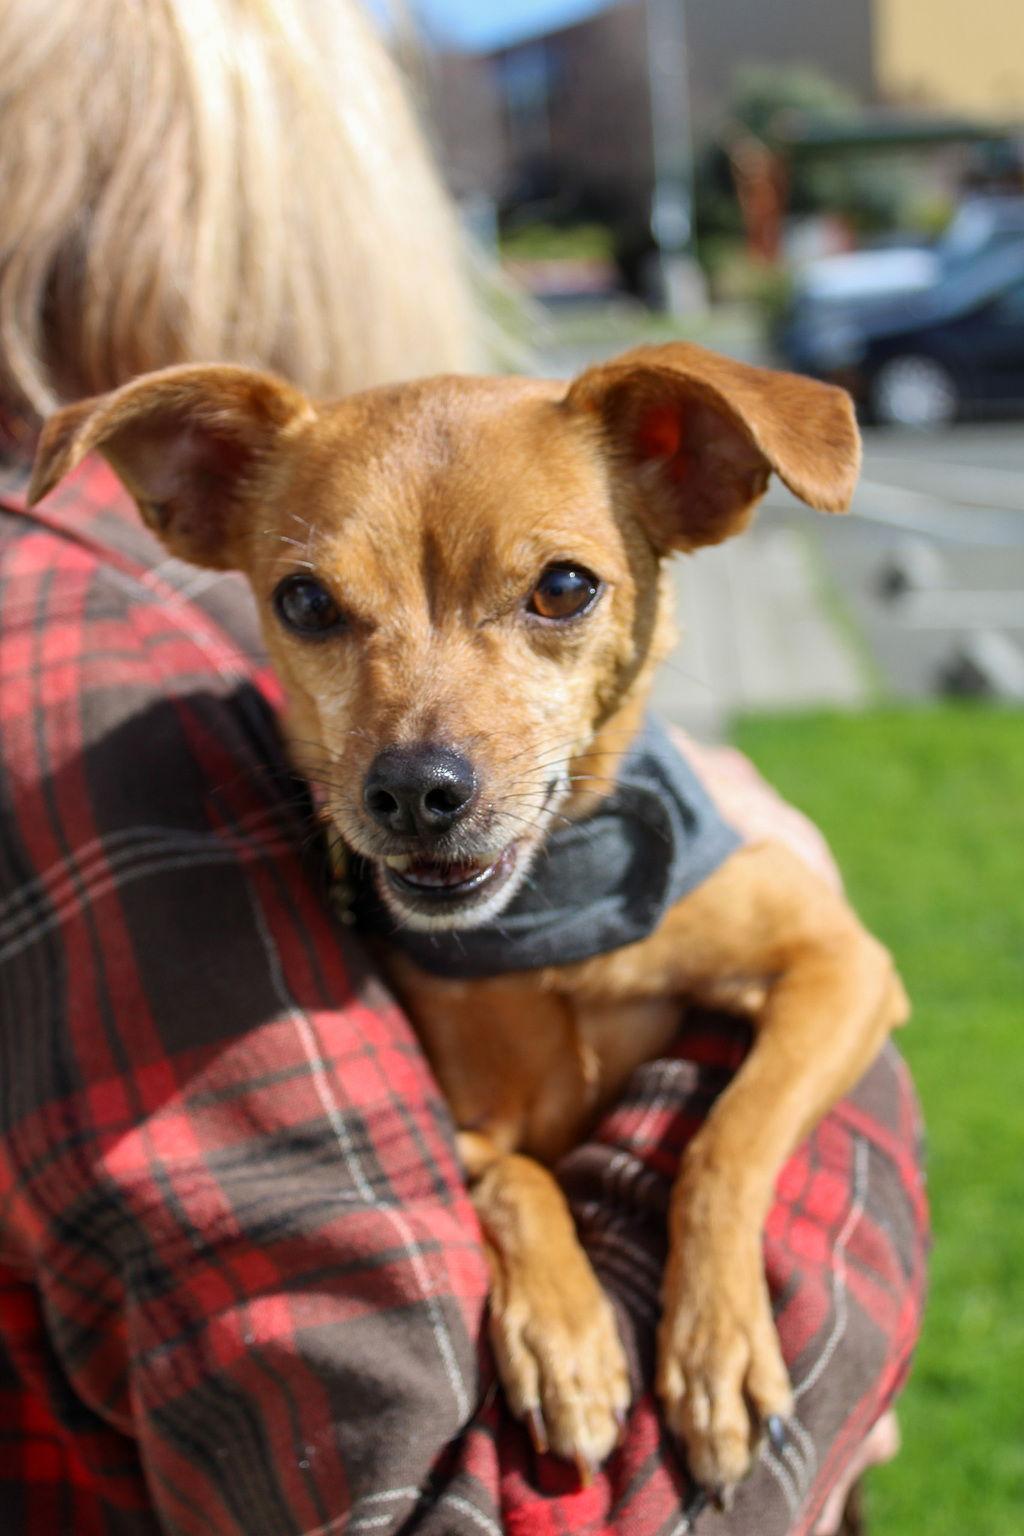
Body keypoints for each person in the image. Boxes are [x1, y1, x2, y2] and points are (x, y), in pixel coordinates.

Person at [0, 3, 927, 1533]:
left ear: (693, 477)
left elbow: (842, 976)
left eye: (552, 595)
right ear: (197, 494)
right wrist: (559, 1224)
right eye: (323, 611)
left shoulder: (679, 855)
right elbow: (470, 1170)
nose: (422, 748)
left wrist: (721, 1210)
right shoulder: (120, 719)